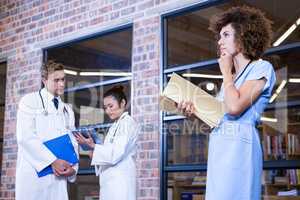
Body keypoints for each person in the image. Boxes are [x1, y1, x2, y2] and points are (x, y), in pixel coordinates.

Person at [178, 6, 276, 200]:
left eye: (226, 35)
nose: (220, 41)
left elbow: (234, 107)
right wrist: (191, 112)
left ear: (242, 36)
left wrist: (225, 73)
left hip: (241, 147)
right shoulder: (229, 80)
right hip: (219, 145)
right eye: (219, 36)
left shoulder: (261, 68)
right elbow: (217, 118)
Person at [15, 61, 78, 200]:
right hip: (34, 179)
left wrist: (73, 170)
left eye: (63, 79)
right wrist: (53, 161)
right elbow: (25, 137)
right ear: (44, 80)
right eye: (56, 80)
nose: (61, 84)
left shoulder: (67, 109)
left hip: (59, 180)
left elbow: (73, 142)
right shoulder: (29, 101)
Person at [74, 86, 138, 200]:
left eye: (111, 106)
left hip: (121, 183)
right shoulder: (114, 126)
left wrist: (94, 146)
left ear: (122, 103)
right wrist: (94, 152)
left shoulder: (127, 123)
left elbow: (115, 154)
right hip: (111, 183)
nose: (108, 111)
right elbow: (108, 153)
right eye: (105, 107)